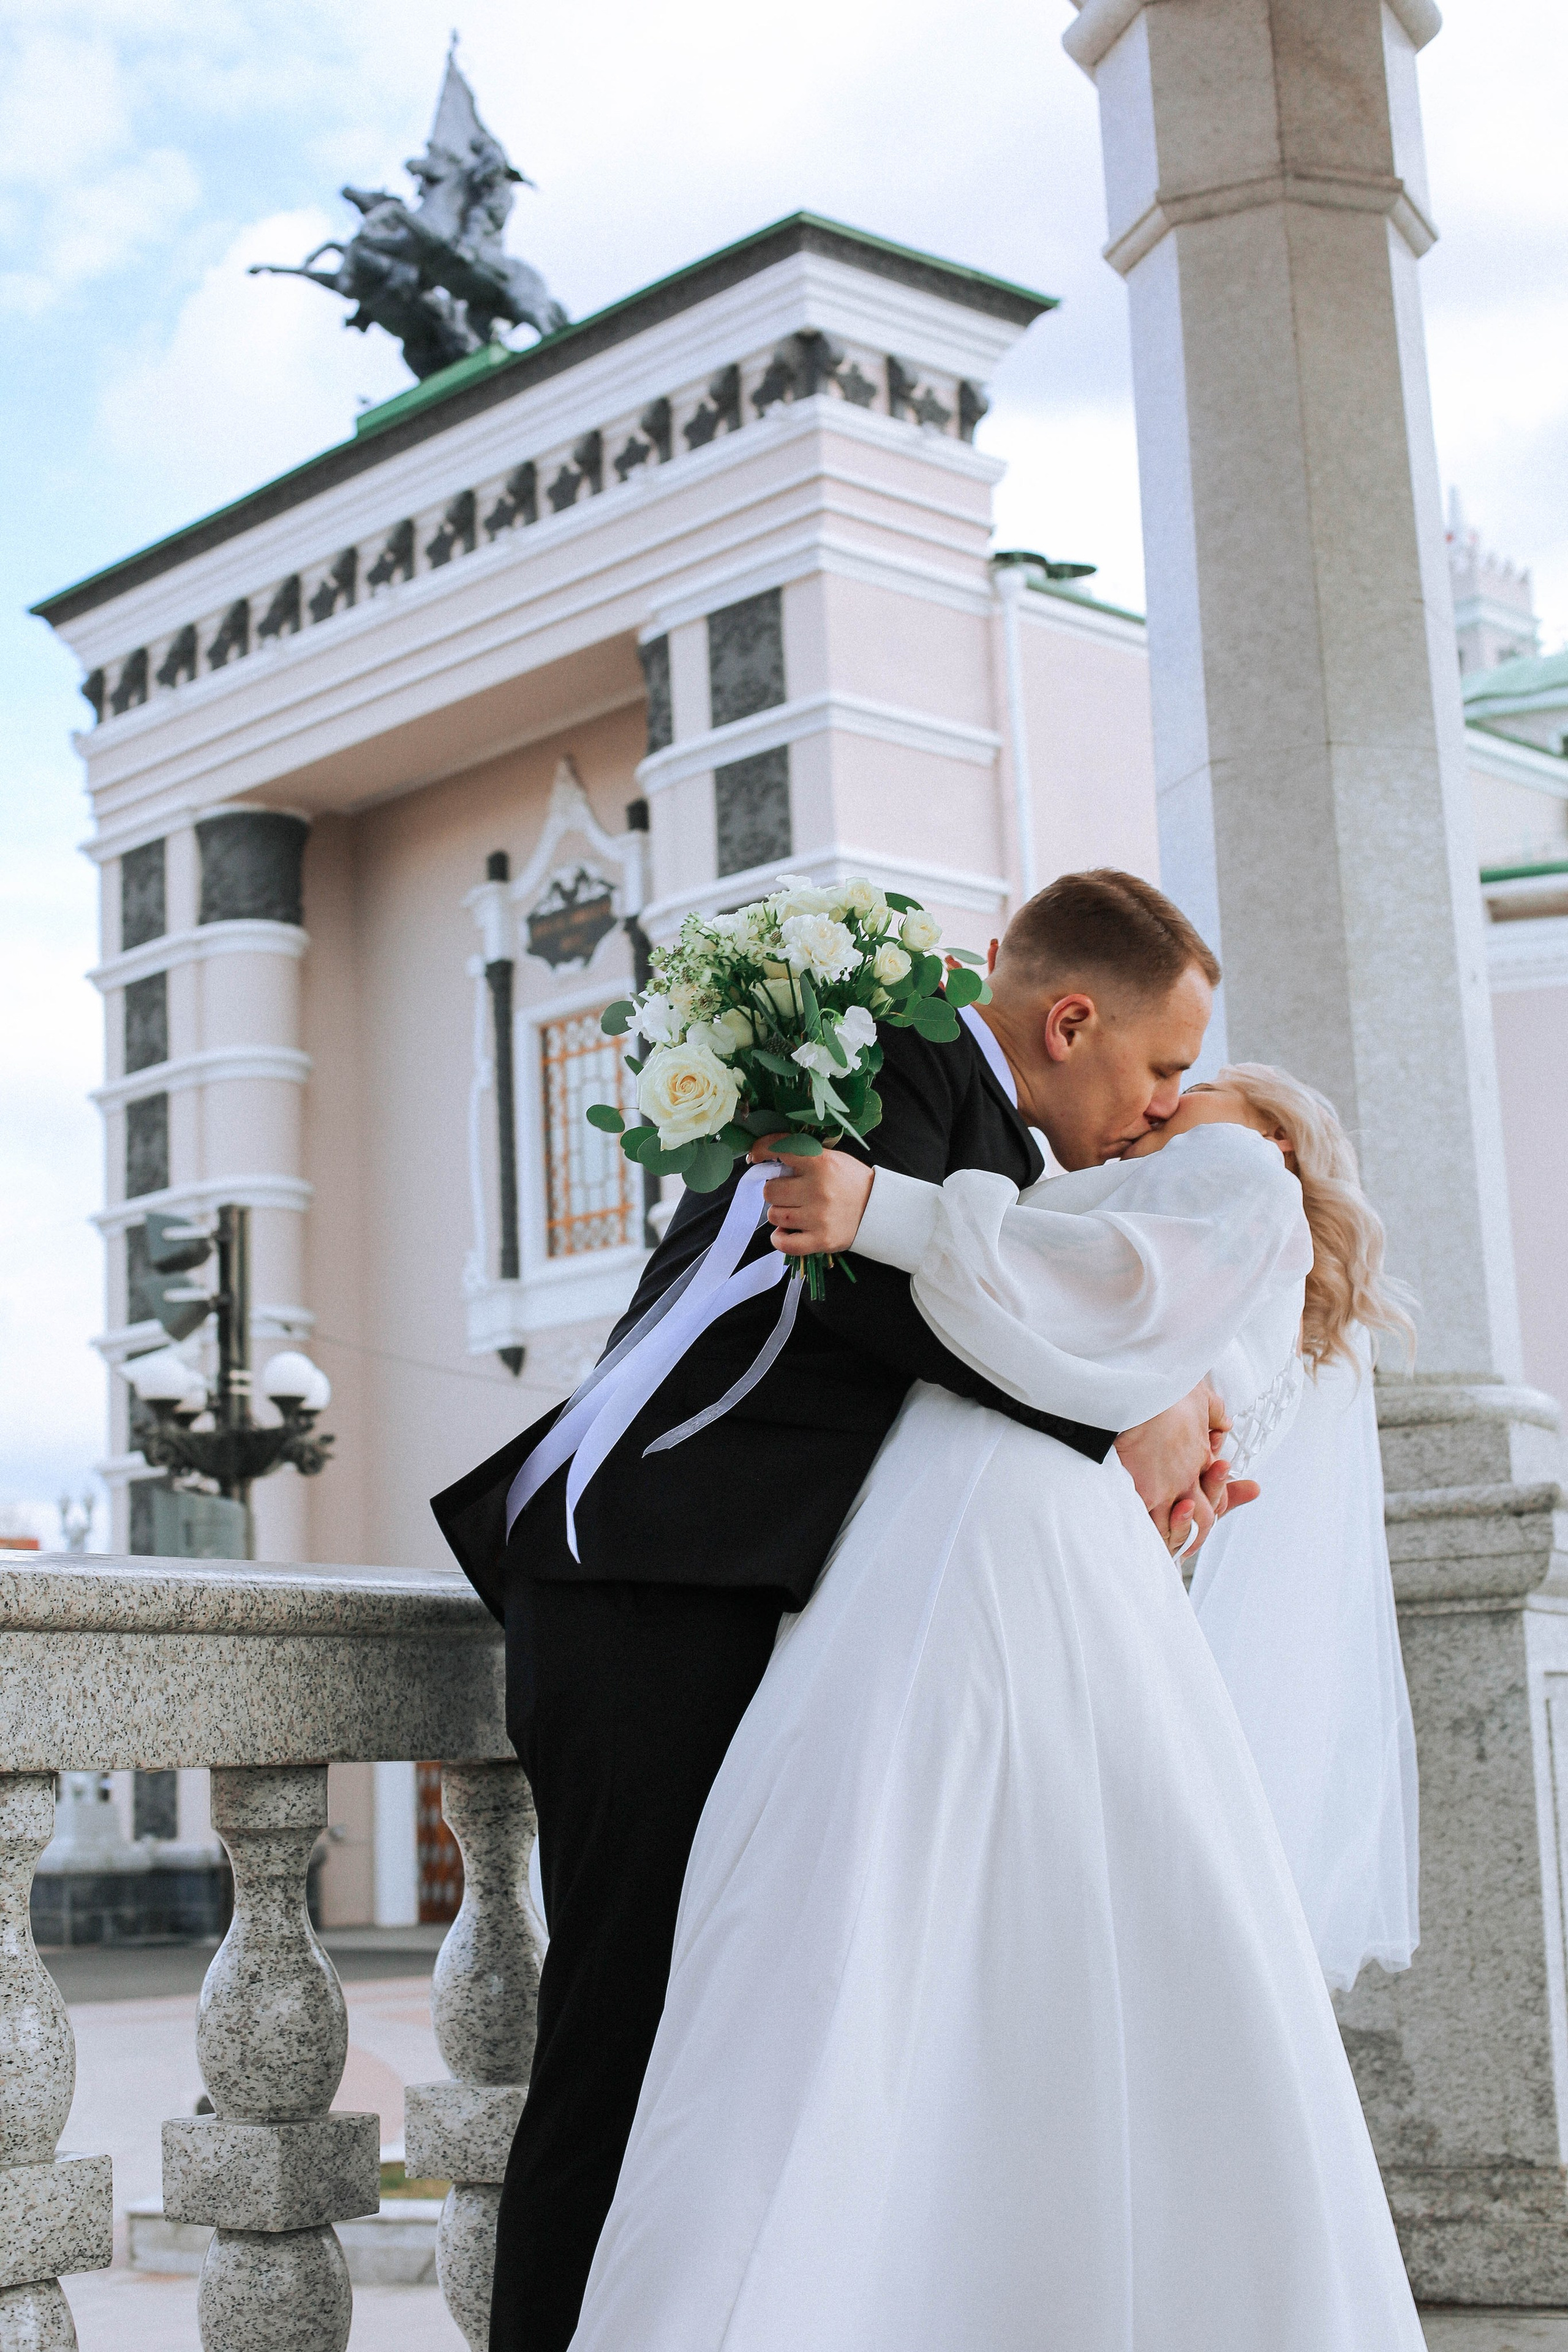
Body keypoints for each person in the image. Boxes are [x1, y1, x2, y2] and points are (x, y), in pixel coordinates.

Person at [430, 870, 1252, 2352]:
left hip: (725, 1587)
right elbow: (874, 1298)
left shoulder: (973, 1111)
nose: (1158, 1107)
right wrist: (1118, 1418)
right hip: (653, 1584)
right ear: (1069, 1019)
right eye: (1158, 1069)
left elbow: (971, 1290)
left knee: (712, 2040)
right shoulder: (893, 1049)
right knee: (625, 2030)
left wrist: (1150, 1404)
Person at [568, 1067, 1425, 2350]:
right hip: (1043, 1557)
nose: (1149, 1110)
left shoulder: (1234, 1172)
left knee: (865, 1908)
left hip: (992, 1542)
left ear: (1259, 1130)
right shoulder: (1208, 1243)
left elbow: (1071, 1283)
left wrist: (871, 1206)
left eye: (1182, 1093)